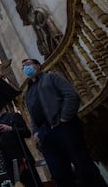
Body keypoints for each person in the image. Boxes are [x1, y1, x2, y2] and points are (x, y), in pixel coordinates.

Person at [22, 58, 107, 187]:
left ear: (38, 66)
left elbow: (71, 95)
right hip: (44, 134)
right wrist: (35, 132)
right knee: (59, 174)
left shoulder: (51, 77)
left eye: (28, 64)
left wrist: (64, 119)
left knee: (83, 167)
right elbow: (33, 115)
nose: (25, 68)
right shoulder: (28, 92)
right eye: (23, 67)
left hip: (63, 127)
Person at [0, 106, 43, 187]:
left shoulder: (14, 116)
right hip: (8, 161)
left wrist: (11, 128)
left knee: (31, 183)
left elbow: (27, 133)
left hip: (22, 158)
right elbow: (2, 145)